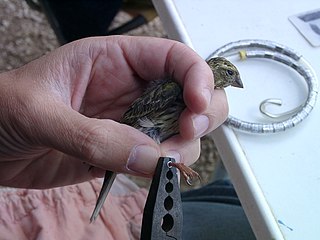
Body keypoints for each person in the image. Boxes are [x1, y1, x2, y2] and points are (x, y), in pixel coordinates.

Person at [0, 36, 255, 239]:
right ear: (218, 72)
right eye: (232, 75)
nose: (236, 81)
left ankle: (175, 163)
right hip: (135, 129)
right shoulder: (173, 90)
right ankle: (174, 164)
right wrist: (100, 141)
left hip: (141, 137)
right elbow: (138, 119)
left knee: (224, 189)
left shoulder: (196, 91)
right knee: (232, 200)